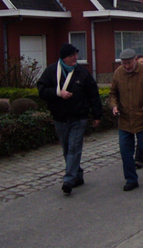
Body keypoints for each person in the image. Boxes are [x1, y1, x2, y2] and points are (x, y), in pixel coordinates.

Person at [37, 43, 102, 195]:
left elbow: (93, 94)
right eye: (72, 55)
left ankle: (68, 180)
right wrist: (58, 93)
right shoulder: (52, 71)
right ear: (64, 58)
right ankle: (77, 175)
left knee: (74, 147)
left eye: (76, 55)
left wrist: (97, 115)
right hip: (60, 117)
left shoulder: (82, 73)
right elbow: (41, 90)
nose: (76, 58)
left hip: (79, 117)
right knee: (67, 149)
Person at [109, 49, 143, 191]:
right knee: (125, 151)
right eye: (123, 63)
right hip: (125, 119)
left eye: (129, 63)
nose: (126, 66)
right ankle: (131, 179)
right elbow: (113, 93)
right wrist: (114, 106)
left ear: (135, 60)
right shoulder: (118, 73)